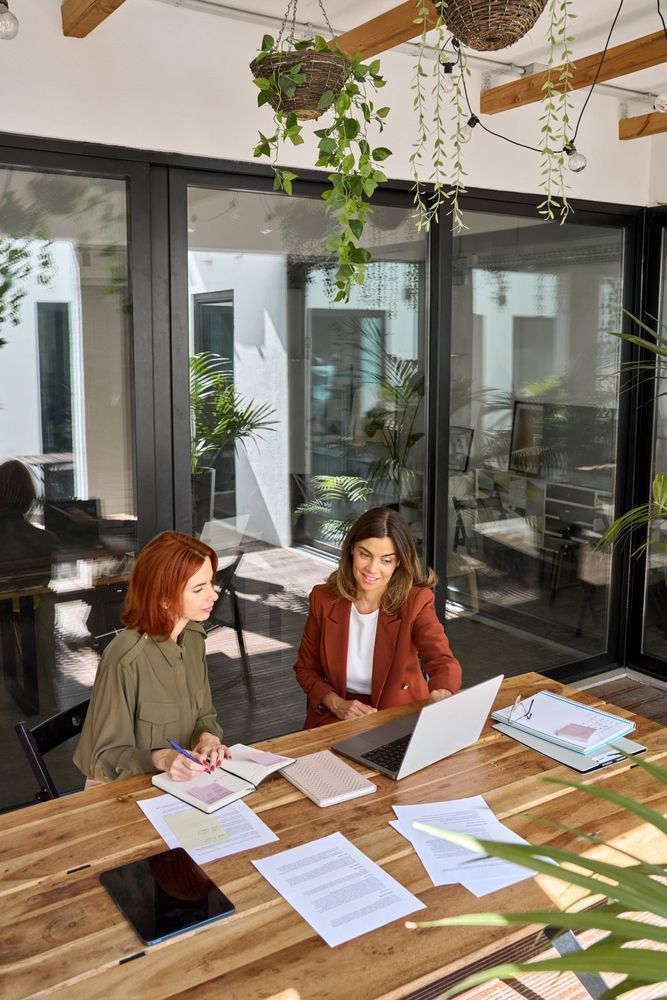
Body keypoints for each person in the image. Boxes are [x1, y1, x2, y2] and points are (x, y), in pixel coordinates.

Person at [74, 530, 229, 784]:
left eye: (211, 583)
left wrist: (208, 738)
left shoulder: (193, 639)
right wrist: (162, 758)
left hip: (180, 784)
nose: (213, 595)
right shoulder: (125, 659)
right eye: (199, 588)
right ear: (165, 599)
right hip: (122, 791)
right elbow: (104, 758)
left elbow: (204, 715)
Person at [294, 507, 462, 728]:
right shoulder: (323, 599)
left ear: (399, 562)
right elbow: (306, 669)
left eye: (386, 560)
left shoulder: (416, 602)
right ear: (352, 549)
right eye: (365, 554)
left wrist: (443, 694)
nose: (372, 569)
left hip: (399, 714)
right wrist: (336, 703)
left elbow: (441, 659)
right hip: (336, 715)